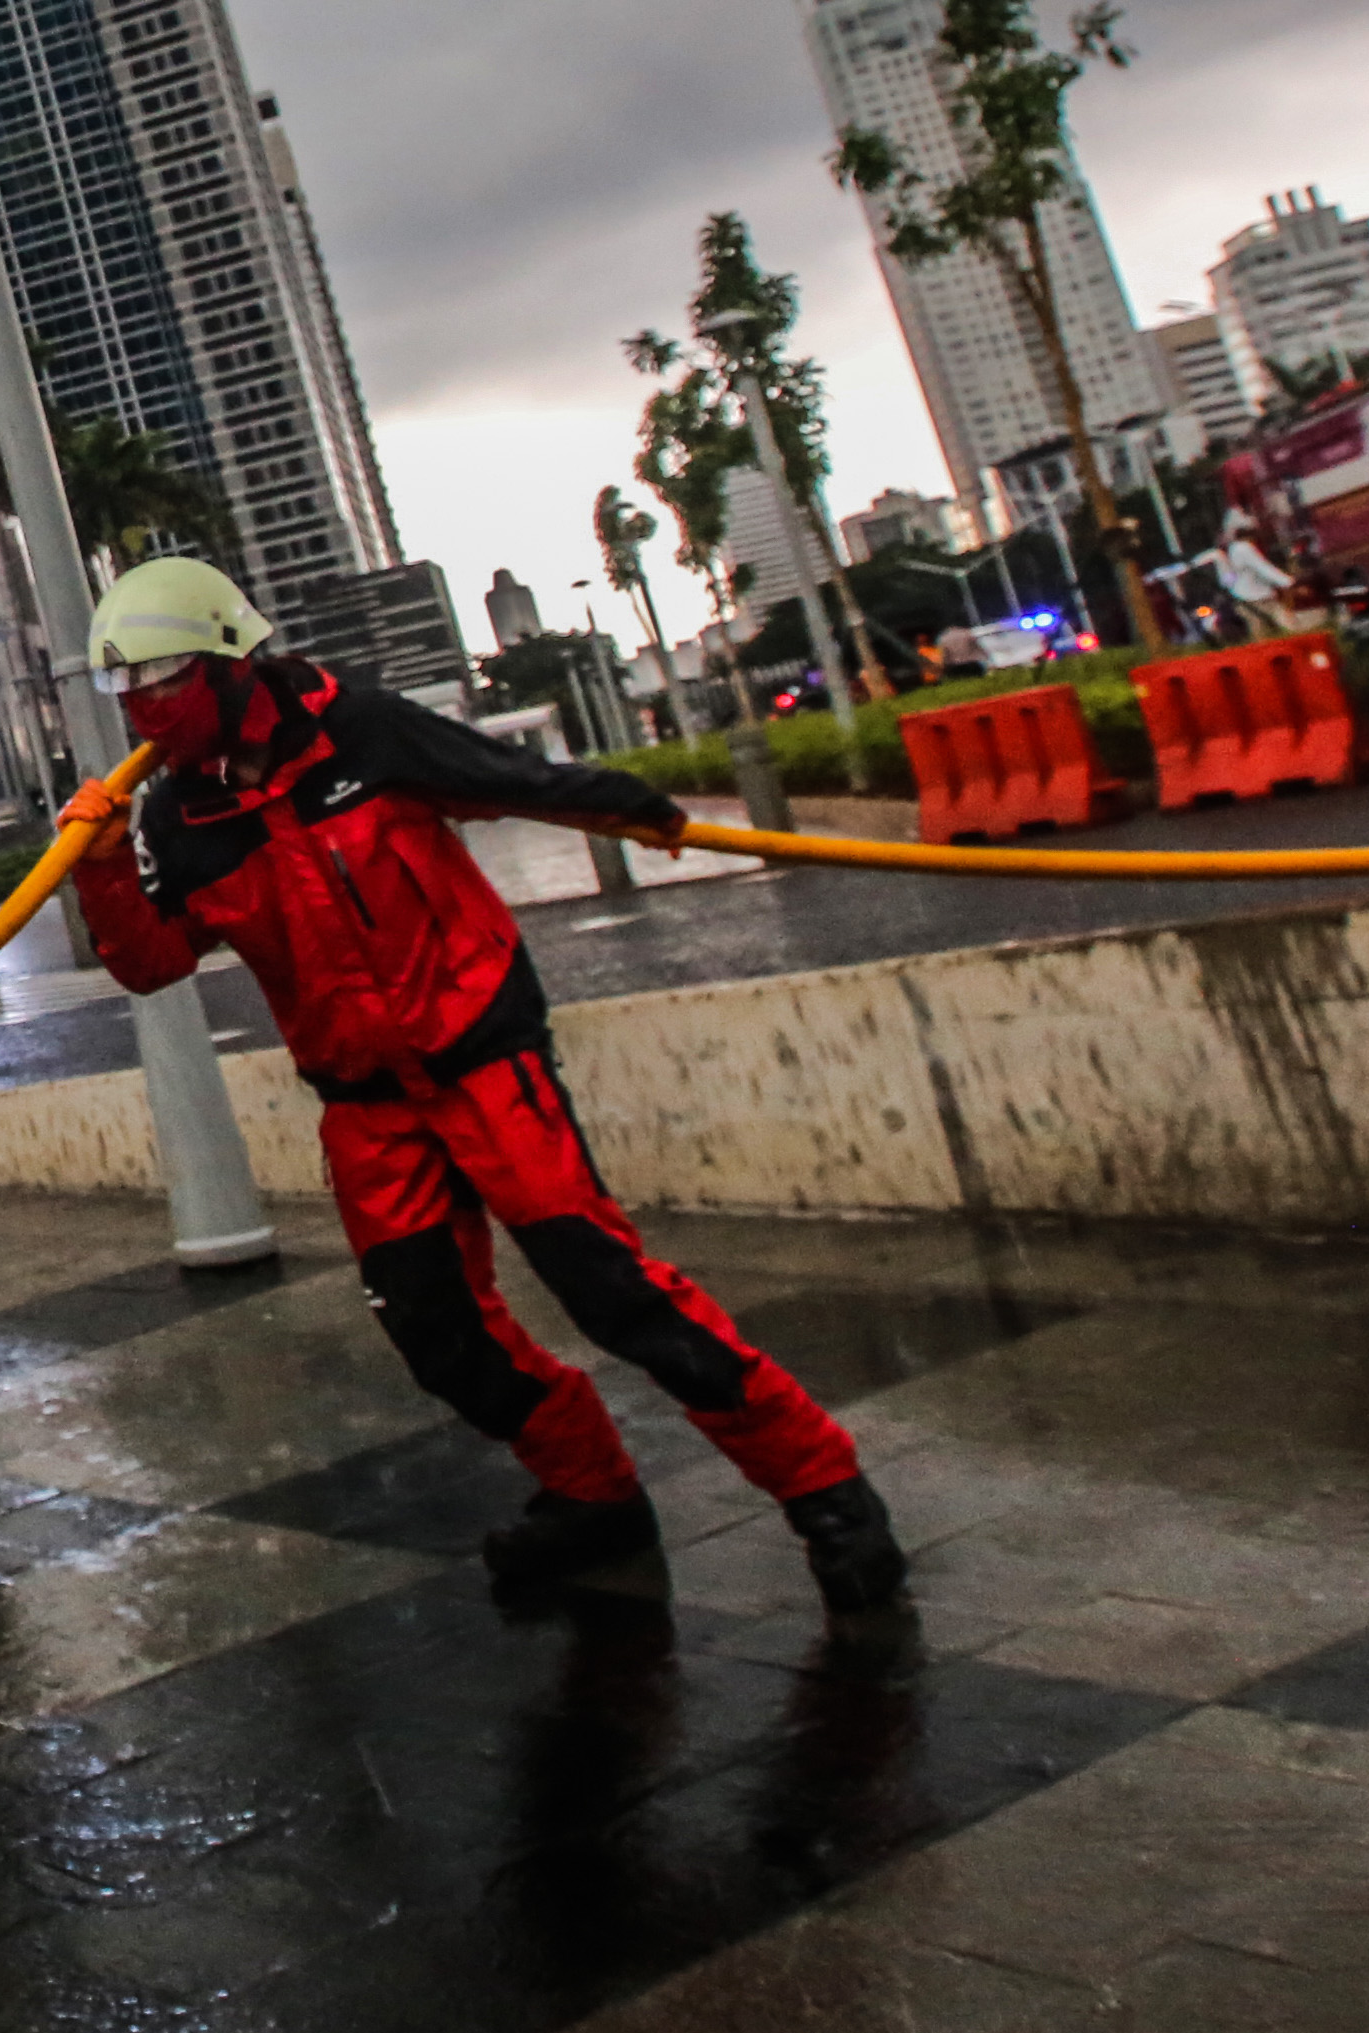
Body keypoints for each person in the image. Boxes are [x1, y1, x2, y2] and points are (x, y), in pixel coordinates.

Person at [64, 558, 913, 1617]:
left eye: (161, 678)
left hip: (481, 1062)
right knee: (436, 1333)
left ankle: (825, 1489)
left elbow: (508, 778)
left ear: (232, 661)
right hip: (367, 1107)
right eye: (124, 686)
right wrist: (101, 865)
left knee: (613, 1293)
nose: (143, 705)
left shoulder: (361, 731)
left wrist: (631, 808)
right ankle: (592, 1492)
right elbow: (152, 963)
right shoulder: (175, 818)